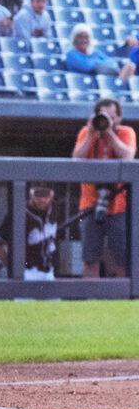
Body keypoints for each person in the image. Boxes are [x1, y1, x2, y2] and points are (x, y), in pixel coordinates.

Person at [71, 98, 135, 279]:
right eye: (104, 117)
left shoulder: (126, 132)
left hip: (118, 206)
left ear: (119, 118)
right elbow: (77, 159)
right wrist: (92, 133)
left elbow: (127, 156)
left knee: (122, 258)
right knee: (90, 258)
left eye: (113, 118)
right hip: (90, 204)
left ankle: (123, 303)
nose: (109, 121)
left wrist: (109, 132)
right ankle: (91, 301)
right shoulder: (87, 131)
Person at [0, 182, 59, 281]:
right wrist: (11, 267)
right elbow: (0, 242)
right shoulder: (19, 211)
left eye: (45, 195)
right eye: (38, 195)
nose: (42, 199)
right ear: (31, 193)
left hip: (49, 272)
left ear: (52, 194)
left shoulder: (54, 209)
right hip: (27, 272)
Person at [65, 23, 135, 80]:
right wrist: (99, 64)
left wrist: (97, 65)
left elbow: (112, 64)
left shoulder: (96, 53)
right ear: (74, 39)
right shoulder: (72, 54)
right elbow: (86, 66)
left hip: (106, 79)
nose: (84, 40)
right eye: (80, 37)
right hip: (84, 83)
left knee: (130, 66)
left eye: (86, 37)